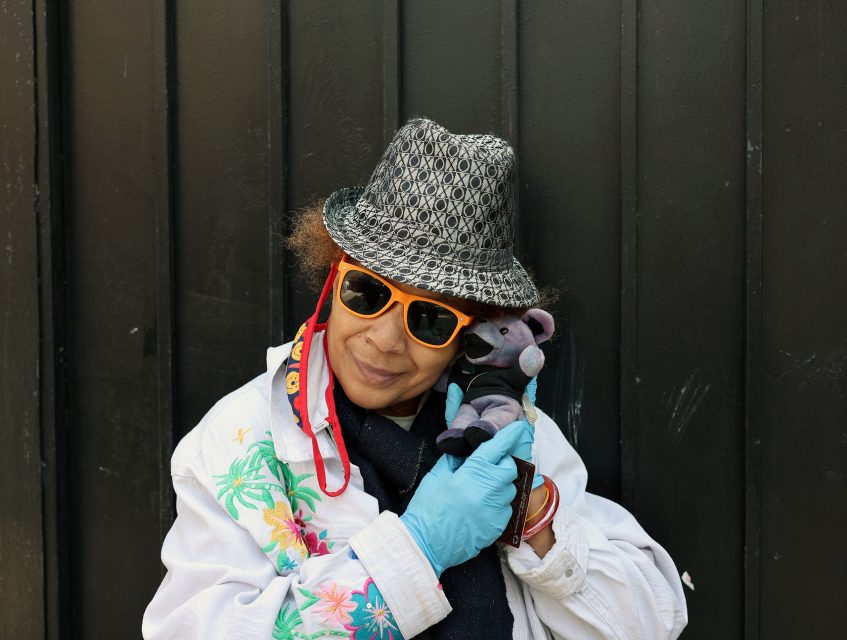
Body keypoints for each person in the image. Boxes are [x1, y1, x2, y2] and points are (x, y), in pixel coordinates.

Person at [142, 118, 688, 639]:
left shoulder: (512, 432)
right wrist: (420, 548)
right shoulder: (242, 440)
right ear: (333, 278)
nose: (384, 340)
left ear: (471, 331)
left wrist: (533, 517)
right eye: (367, 293)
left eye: (430, 319)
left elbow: (648, 623)